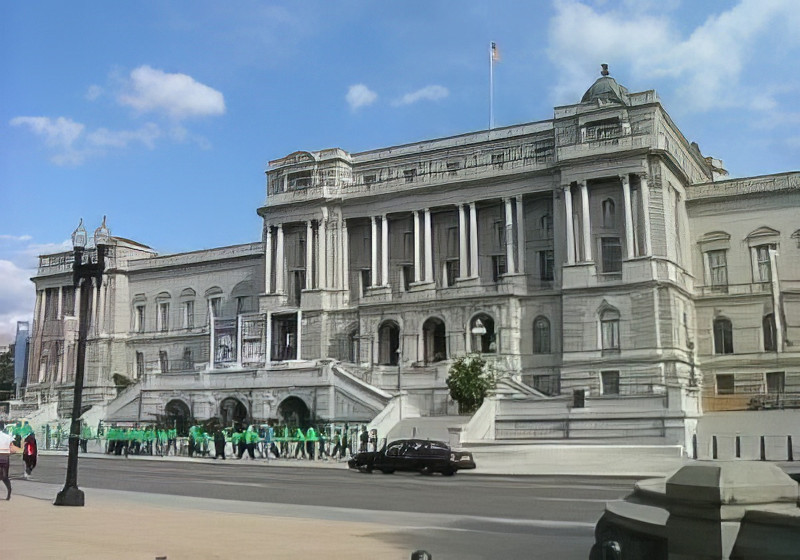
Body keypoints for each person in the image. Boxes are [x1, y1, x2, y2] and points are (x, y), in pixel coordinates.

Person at [0, 421, 21, 500]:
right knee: (5, 476)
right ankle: (9, 493)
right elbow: (13, 449)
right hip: (5, 458)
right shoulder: (8, 437)